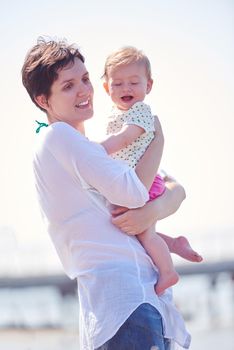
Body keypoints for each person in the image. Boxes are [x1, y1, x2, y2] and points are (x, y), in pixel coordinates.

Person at [22, 37, 192, 350]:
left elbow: (175, 190)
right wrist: (157, 139)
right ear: (43, 100)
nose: (84, 91)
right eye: (69, 86)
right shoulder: (60, 137)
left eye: (85, 79)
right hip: (124, 299)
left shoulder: (87, 151)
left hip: (132, 299)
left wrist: (152, 214)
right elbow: (136, 193)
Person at [101, 46, 202, 295]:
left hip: (144, 183)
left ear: (149, 85)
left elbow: (125, 139)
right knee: (139, 231)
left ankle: (167, 272)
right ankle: (175, 243)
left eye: (134, 82)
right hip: (131, 181)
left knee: (143, 235)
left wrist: (94, 150)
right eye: (118, 84)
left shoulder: (141, 112)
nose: (126, 89)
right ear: (106, 88)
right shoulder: (117, 114)